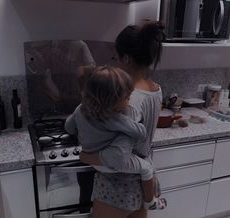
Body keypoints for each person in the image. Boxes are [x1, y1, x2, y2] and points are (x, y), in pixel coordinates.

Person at [78, 21, 165, 218]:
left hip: (117, 187)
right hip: (143, 182)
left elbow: (118, 156)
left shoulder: (127, 100)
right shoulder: (155, 89)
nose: (115, 63)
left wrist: (87, 157)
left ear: (125, 58)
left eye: (116, 58)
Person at [65, 66, 166, 210]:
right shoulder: (115, 118)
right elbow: (140, 132)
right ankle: (151, 202)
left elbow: (68, 127)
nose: (129, 101)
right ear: (112, 101)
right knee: (147, 168)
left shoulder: (80, 109)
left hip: (92, 159)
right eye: (127, 97)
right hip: (111, 163)